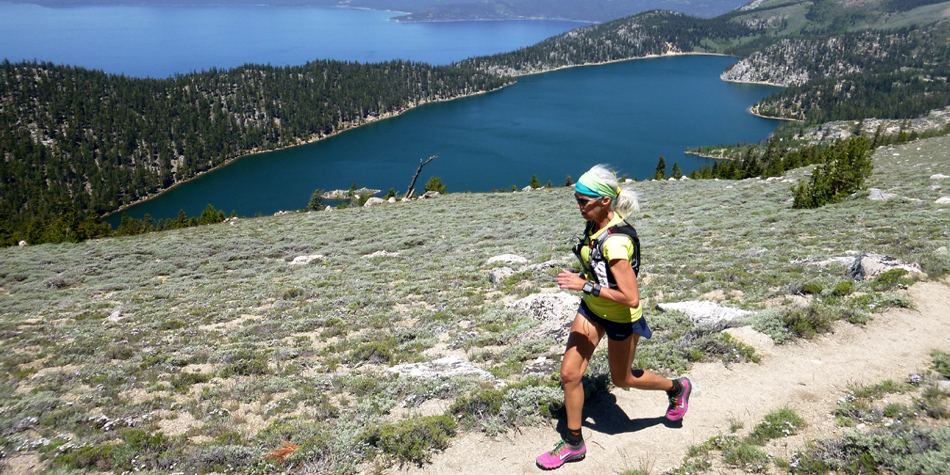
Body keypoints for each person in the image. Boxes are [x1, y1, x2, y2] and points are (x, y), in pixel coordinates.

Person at [536, 165, 692, 470]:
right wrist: (586, 281)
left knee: (622, 379)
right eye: (577, 199)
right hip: (592, 310)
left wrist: (585, 285)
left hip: (621, 317)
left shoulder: (617, 242)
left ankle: (676, 388)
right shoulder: (595, 224)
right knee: (569, 374)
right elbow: (598, 270)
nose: (578, 206)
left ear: (605, 201)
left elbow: (630, 297)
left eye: (584, 201)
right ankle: (573, 443)